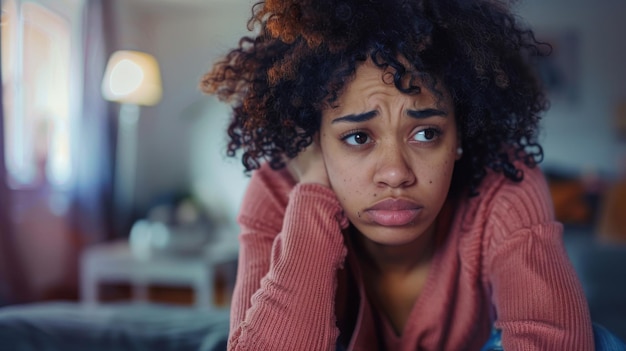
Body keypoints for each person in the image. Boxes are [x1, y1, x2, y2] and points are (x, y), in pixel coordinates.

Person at [201, 0, 596, 350]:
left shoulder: (505, 184)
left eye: (426, 133)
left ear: (461, 134)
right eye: (357, 136)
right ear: (316, 140)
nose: (395, 173)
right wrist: (313, 193)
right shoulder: (278, 190)